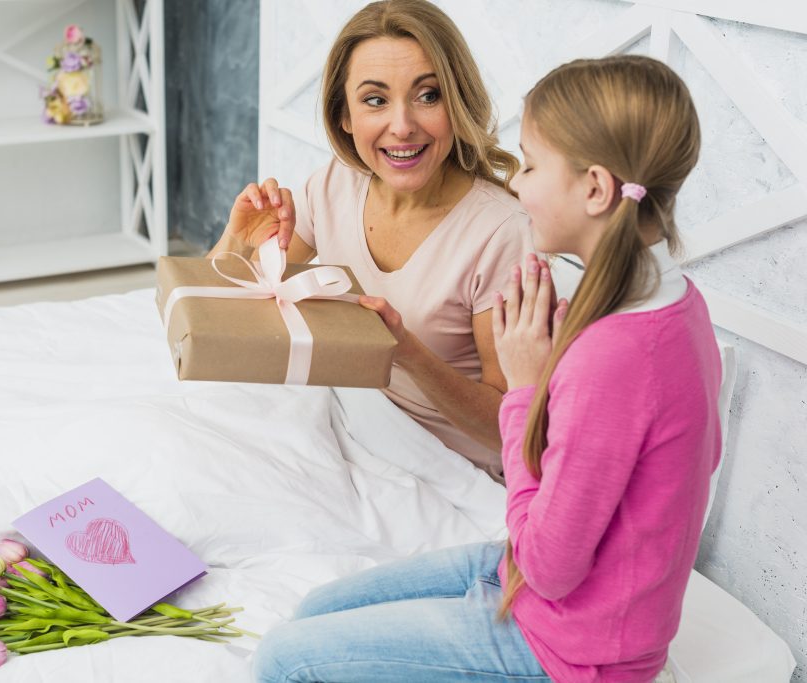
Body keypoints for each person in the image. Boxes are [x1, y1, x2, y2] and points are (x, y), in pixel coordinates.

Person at [254, 54, 721, 683]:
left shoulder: (619, 353)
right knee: (311, 611)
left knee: (283, 661)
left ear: (594, 189)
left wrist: (526, 389)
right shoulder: (673, 302)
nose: (517, 186)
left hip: (574, 649)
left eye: (530, 165)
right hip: (530, 579)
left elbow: (550, 567)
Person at [208, 0, 529, 481]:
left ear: (458, 104)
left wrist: (409, 354)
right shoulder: (335, 184)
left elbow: (511, 431)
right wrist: (238, 238)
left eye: (428, 95)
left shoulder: (501, 232)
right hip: (353, 425)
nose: (402, 126)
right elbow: (216, 319)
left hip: (448, 467)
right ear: (344, 116)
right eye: (375, 100)